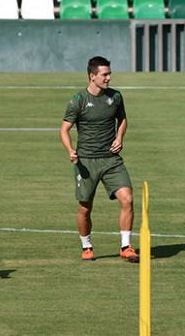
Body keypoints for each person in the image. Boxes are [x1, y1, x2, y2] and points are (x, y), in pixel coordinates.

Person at [60, 56, 139, 263]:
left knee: (128, 199)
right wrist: (70, 150)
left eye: (109, 74)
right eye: (104, 74)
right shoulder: (78, 100)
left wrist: (120, 136)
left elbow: (122, 119)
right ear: (92, 76)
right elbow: (64, 129)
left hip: (112, 160)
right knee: (85, 208)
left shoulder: (116, 97)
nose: (109, 78)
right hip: (86, 162)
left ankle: (126, 246)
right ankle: (86, 246)